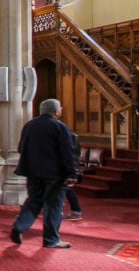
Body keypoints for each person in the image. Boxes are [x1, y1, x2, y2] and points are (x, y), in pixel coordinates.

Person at [9, 98, 79, 249]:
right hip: (54, 174)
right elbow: (67, 153)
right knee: (53, 206)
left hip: (32, 171)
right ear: (55, 111)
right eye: (60, 108)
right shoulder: (60, 127)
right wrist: (72, 173)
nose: (61, 110)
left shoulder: (29, 125)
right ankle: (51, 240)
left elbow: (21, 148)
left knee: (34, 200)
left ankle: (19, 226)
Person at [65, 132, 84, 220]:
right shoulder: (73, 138)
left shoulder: (70, 139)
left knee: (67, 190)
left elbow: (73, 158)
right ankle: (76, 211)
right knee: (67, 190)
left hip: (69, 169)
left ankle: (76, 211)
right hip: (71, 168)